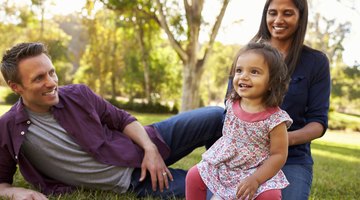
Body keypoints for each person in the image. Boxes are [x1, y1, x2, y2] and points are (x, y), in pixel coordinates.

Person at [0, 42, 224, 200]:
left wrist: (150, 149)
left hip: (144, 141)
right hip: (135, 179)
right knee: (217, 190)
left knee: (215, 116)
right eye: (39, 78)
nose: (51, 83)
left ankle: (236, 167)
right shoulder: (8, 127)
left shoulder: (78, 94)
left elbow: (122, 119)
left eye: (52, 73)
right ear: (16, 86)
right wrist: (15, 192)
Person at [225, 0, 331, 199]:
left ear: (300, 18)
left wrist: (278, 141)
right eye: (272, 13)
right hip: (241, 154)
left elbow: (318, 123)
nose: (278, 20)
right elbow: (230, 103)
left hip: (292, 158)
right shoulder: (247, 55)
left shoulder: (316, 62)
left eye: (287, 13)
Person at [186, 42, 293, 200]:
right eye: (239, 70)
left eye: (254, 72)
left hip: (256, 169)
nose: (243, 76)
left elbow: (278, 155)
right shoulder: (232, 103)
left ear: (272, 82)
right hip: (226, 163)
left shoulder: (276, 120)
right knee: (193, 175)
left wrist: (256, 179)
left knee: (270, 195)